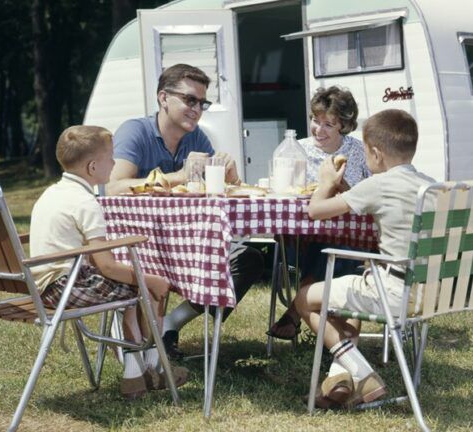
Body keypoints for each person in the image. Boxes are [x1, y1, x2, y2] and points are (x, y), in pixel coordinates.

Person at [107, 64, 264, 360]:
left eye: (202, 103)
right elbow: (114, 187)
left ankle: (169, 325)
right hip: (140, 246)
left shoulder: (197, 138)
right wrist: (179, 176)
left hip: (186, 243)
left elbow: (216, 194)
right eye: (190, 100)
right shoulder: (135, 131)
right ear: (163, 97)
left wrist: (229, 177)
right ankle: (142, 338)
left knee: (249, 260)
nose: (197, 109)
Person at [30, 125, 189, 399]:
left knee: (131, 288)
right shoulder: (86, 202)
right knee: (146, 287)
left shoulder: (51, 194)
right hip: (67, 287)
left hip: (42, 285)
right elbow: (107, 267)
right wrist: (152, 280)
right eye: (111, 157)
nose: (115, 163)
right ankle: (149, 369)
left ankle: (138, 373)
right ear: (93, 167)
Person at [293, 109, 435, 408]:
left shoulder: (379, 183)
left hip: (397, 294)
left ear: (375, 153)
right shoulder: (431, 186)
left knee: (304, 299)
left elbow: (316, 211)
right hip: (437, 293)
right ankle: (340, 376)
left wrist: (325, 180)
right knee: (356, 286)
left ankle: (361, 372)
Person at [267, 86, 370, 340]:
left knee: (336, 243)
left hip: (353, 237)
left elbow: (368, 196)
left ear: (343, 126)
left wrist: (341, 186)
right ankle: (338, 336)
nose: (318, 129)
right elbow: (282, 190)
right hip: (302, 238)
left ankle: (296, 309)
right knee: (328, 245)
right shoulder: (297, 149)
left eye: (328, 124)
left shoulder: (358, 152)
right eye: (315, 120)